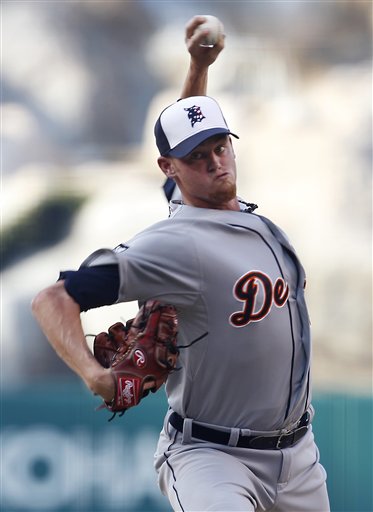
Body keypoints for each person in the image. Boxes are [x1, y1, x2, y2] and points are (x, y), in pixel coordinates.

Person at [32, 16, 330, 512]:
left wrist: (197, 66)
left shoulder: (229, 213)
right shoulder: (173, 245)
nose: (215, 162)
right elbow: (52, 300)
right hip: (213, 458)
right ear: (169, 168)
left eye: (221, 146)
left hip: (299, 457)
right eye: (198, 158)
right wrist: (93, 374)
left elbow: (185, 138)